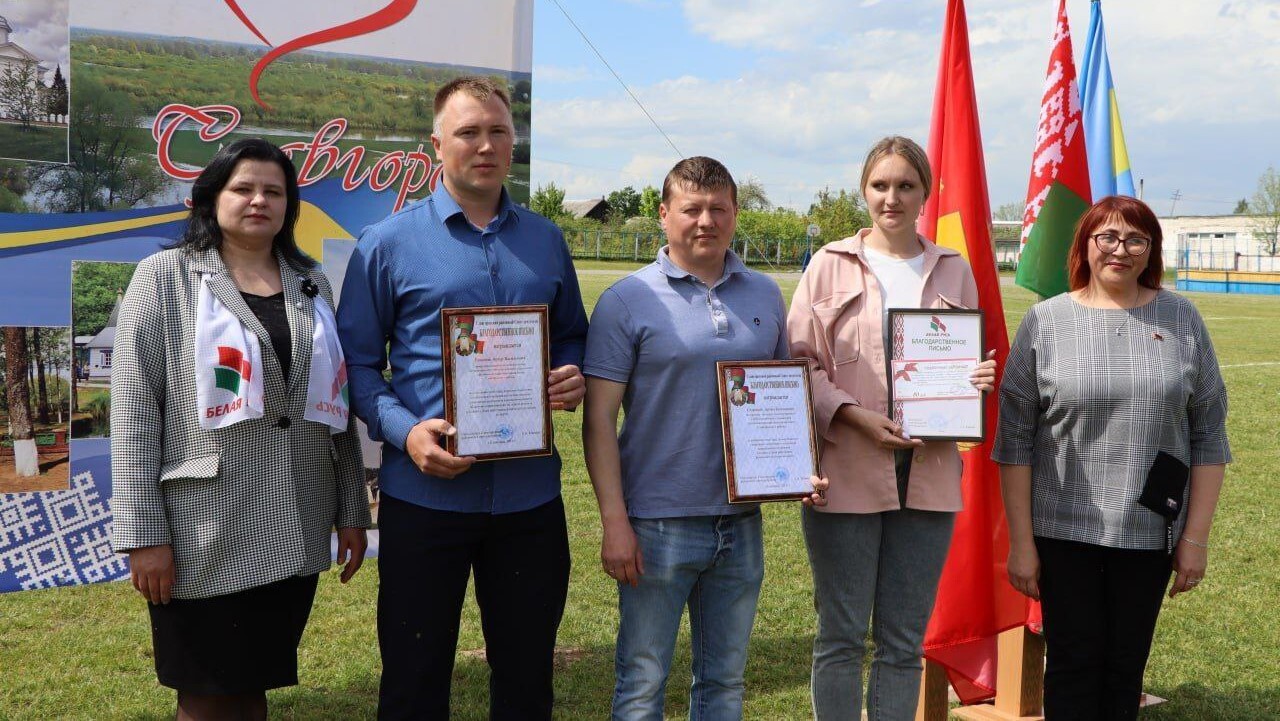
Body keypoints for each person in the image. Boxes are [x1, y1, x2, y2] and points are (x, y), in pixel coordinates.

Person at [336, 75, 589, 720]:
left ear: (514, 143)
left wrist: (570, 373)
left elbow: (571, 338)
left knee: (527, 678)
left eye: (499, 132)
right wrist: (404, 432)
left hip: (531, 499)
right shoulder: (386, 245)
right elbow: (358, 366)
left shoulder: (546, 240)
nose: (486, 145)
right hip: (425, 498)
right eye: (468, 132)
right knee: (415, 679)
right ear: (436, 145)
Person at [109, 138, 371, 721]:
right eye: (243, 188)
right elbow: (132, 413)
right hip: (204, 527)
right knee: (203, 695)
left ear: (289, 205)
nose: (259, 200)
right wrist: (144, 535)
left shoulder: (310, 284)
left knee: (254, 686)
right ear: (212, 198)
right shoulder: (165, 277)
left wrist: (353, 508)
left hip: (295, 514)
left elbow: (336, 404)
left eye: (273, 191)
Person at [583, 156, 828, 721]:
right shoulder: (626, 300)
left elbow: (777, 404)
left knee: (724, 684)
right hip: (657, 523)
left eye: (719, 208)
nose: (706, 220)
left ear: (735, 214)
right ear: (665, 215)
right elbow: (598, 421)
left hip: (740, 526)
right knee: (642, 682)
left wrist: (797, 471)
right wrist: (614, 524)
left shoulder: (765, 293)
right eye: (691, 208)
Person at [993, 195, 1230, 720]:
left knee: (1125, 670)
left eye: (1135, 239)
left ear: (1151, 251)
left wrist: (1194, 539)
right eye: (1107, 237)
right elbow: (1015, 441)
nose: (1119, 249)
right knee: (1073, 668)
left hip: (1148, 530)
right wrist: (1022, 543)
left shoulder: (1182, 318)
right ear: (1086, 244)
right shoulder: (1044, 322)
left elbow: (1209, 435)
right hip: (1063, 531)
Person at [786, 136, 996, 721]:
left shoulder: (953, 269)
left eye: (906, 185)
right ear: (864, 190)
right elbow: (799, 362)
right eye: (881, 185)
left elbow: (967, 358)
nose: (892, 198)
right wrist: (853, 416)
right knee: (842, 638)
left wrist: (974, 375)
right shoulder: (828, 264)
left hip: (928, 476)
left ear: (925, 193)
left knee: (904, 643)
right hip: (847, 469)